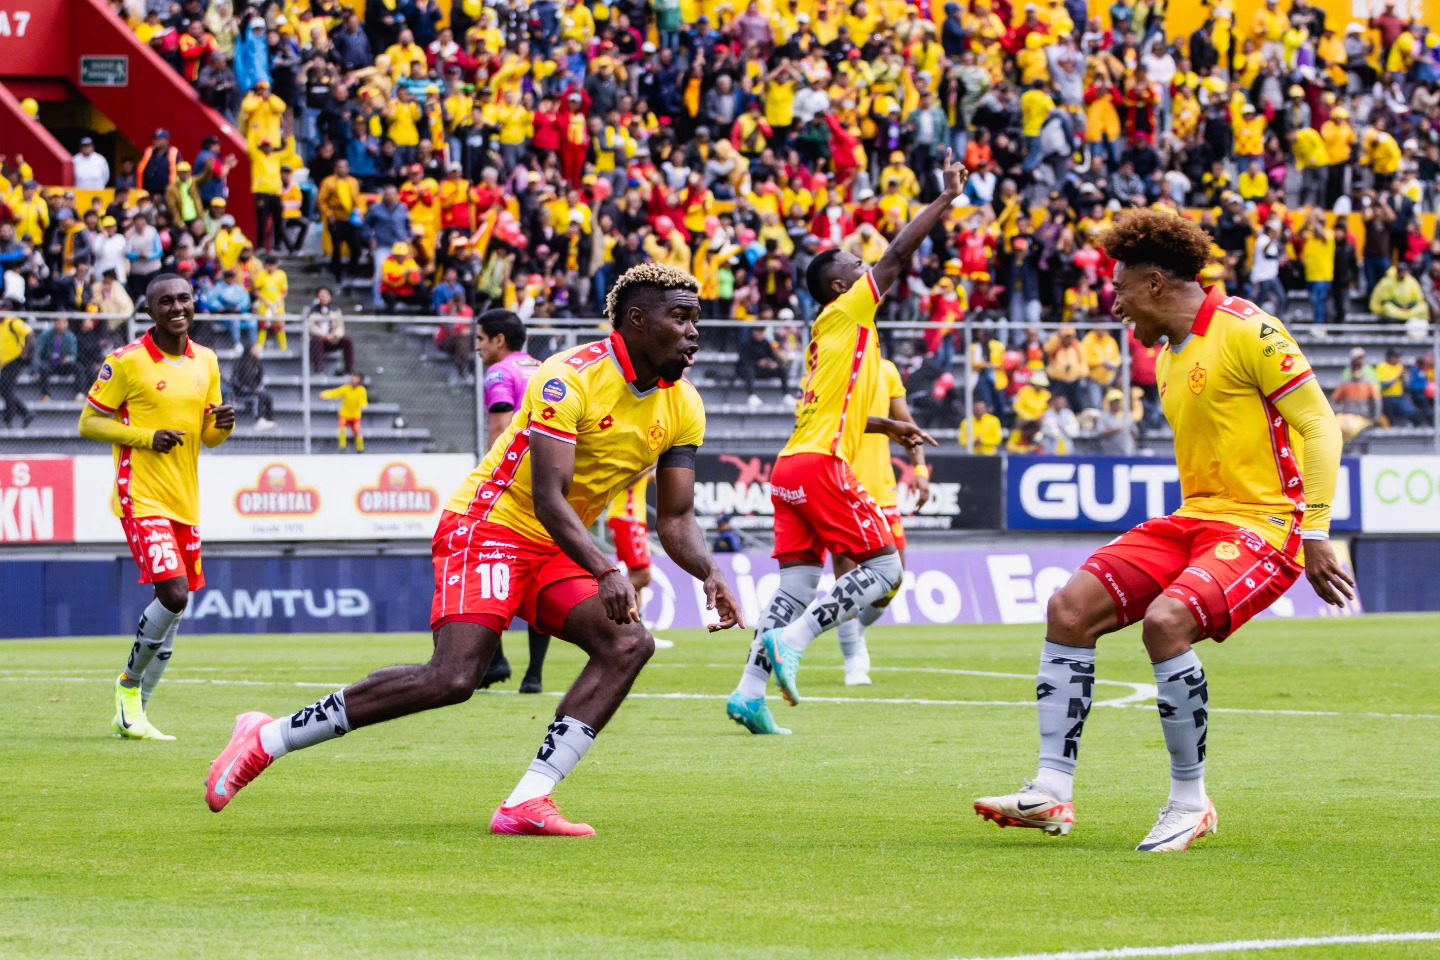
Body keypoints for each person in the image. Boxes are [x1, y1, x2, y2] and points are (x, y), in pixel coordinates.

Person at [203, 263, 743, 838]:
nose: (694, 332)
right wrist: (605, 567)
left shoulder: (684, 403)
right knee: (454, 677)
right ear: (637, 321)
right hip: (490, 525)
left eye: (696, 319)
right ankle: (267, 738)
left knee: (628, 644)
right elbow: (548, 496)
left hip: (556, 546)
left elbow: (677, 516)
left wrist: (708, 571)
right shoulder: (570, 377)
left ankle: (528, 802)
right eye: (680, 317)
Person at [974, 210, 1352, 852]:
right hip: (1197, 517)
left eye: (1119, 289)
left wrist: (1316, 530)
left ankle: (1189, 801)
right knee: (1068, 610)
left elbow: (1321, 425)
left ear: (1154, 284)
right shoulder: (1173, 356)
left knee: (1166, 622)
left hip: (1266, 523)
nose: (1114, 304)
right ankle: (1052, 791)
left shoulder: (1248, 329)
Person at [725, 153, 958, 736]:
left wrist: (888, 427)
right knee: (884, 568)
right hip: (822, 465)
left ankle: (750, 692)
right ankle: (796, 642)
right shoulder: (849, 309)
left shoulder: (832, 335)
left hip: (791, 465)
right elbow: (900, 254)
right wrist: (945, 198)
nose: (867, 264)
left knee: (799, 584)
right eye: (858, 264)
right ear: (840, 284)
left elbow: (835, 411)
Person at [77, 274, 235, 740]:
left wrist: (222, 426)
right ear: (150, 311)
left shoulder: (206, 360)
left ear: (194, 303)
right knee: (174, 594)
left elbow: (209, 437)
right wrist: (146, 437)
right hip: (140, 494)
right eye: (165, 301)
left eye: (184, 298)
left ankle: (135, 714)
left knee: (177, 607)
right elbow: (89, 422)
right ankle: (128, 687)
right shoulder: (126, 362)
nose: (177, 307)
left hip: (184, 500)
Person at [835, 353, 929, 686]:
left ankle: (857, 629)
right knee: (845, 578)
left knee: (895, 577)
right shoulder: (829, 366)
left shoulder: (886, 370)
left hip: (882, 491)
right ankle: (853, 660)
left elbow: (907, 425)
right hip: (840, 489)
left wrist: (920, 470)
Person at [474, 308, 549, 693]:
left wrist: (490, 478)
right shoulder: (544, 368)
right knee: (541, 572)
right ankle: (534, 675)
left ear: (499, 340)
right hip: (550, 485)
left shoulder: (501, 372)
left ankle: (495, 660)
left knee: (489, 565)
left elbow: (502, 425)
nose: (477, 347)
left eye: (481, 339)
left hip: (514, 485)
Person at [0, 308, 35, 429]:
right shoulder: (1, 325)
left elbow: (29, 334)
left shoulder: (13, 322)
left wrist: (24, 352)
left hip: (15, 361)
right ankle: (25, 413)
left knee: (5, 388)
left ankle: (9, 417)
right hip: (5, 363)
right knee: (4, 389)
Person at [306, 287, 354, 374]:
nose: (323, 298)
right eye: (321, 295)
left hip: (332, 339)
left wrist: (334, 335)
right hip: (319, 340)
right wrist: (324, 336)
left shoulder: (336, 311)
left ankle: (349, 369)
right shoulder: (312, 312)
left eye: (325, 295)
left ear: (330, 297)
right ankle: (319, 370)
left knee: (348, 341)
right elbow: (311, 327)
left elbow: (340, 326)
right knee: (317, 340)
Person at [230, 342, 276, 429]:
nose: (258, 350)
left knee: (268, 397)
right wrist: (252, 390)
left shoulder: (257, 363)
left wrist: (258, 388)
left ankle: (270, 420)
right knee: (257, 397)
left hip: (253, 391)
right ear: (250, 351)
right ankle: (259, 420)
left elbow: (260, 379)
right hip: (241, 393)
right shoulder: (241, 364)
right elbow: (238, 383)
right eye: (255, 349)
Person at [35, 316, 80, 402]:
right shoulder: (46, 335)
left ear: (67, 324)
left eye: (63, 323)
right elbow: (38, 350)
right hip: (50, 364)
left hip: (63, 365)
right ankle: (46, 395)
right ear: (55, 323)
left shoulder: (71, 337)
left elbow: (74, 354)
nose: (61, 325)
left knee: (78, 368)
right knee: (43, 369)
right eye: (58, 322)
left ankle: (79, 393)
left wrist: (69, 359)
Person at [321, 371, 368, 452]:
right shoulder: (346, 388)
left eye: (356, 378)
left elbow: (363, 401)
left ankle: (360, 448)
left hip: (355, 416)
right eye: (353, 377)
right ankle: (342, 446)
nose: (353, 379)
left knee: (358, 431)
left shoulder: (362, 390)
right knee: (342, 429)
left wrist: (363, 405)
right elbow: (336, 393)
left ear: (360, 381)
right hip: (345, 415)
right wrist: (325, 394)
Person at [1095, 387, 1136, 454]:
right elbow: (1101, 432)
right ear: (1109, 403)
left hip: (1127, 451)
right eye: (1113, 402)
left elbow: (1134, 433)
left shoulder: (1128, 416)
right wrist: (1116, 430)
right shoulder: (1104, 417)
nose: (1116, 404)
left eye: (1118, 401)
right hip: (1110, 453)